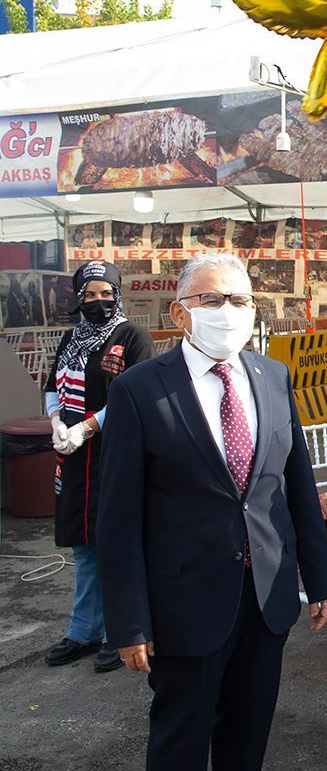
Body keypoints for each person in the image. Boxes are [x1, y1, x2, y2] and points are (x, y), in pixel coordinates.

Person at [96, 253, 327, 771]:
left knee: (247, 738)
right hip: (183, 603)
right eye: (212, 299)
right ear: (180, 313)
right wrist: (129, 621)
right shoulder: (138, 389)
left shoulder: (273, 376)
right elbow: (117, 519)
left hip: (265, 596)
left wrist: (320, 578)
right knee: (180, 743)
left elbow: (295, 486)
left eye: (240, 299)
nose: (228, 310)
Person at [43, 261, 155, 672]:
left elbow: (137, 393)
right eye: (89, 295)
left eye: (106, 293)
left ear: (118, 293)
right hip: (73, 457)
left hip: (115, 452)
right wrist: (56, 422)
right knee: (83, 544)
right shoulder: (71, 338)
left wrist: (88, 427)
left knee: (116, 543)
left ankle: (118, 630)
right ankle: (83, 629)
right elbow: (53, 387)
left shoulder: (132, 336)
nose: (98, 301)